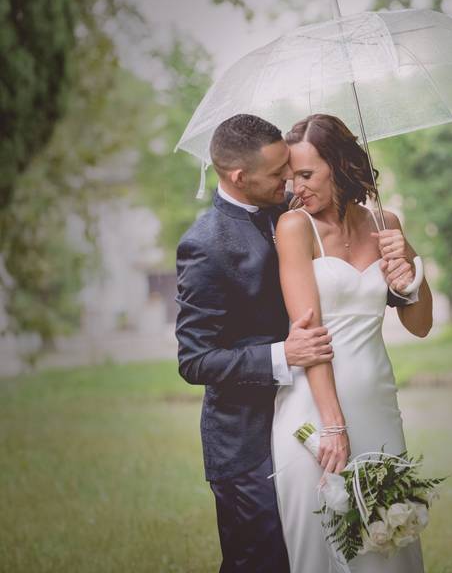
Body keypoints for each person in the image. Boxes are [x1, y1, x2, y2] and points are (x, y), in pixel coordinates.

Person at [175, 113, 337, 572]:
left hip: (305, 417)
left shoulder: (292, 213)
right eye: (276, 173)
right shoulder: (204, 245)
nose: (288, 179)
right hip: (244, 440)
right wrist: (281, 355)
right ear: (238, 177)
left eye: (290, 167)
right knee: (261, 560)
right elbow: (194, 360)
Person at [271, 113, 433, 572]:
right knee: (325, 549)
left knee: (389, 544)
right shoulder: (294, 228)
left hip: (378, 406)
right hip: (316, 413)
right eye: (290, 177)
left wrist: (408, 269)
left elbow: (420, 324)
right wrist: (333, 424)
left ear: (340, 165)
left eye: (306, 174)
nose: (295, 188)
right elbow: (310, 331)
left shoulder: (386, 223)